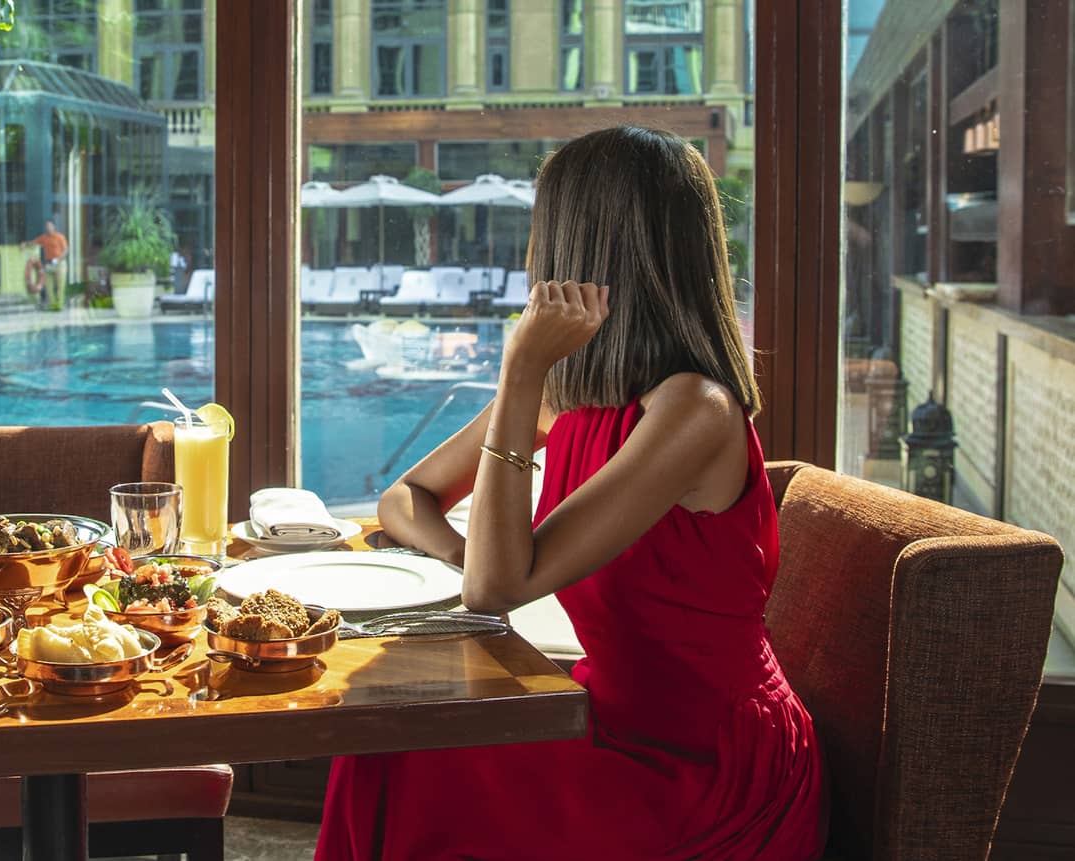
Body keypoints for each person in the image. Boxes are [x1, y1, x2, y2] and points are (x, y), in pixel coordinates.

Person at [316, 127, 828, 860]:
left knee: (398, 753)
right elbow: (405, 497)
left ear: (580, 247)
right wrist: (470, 552)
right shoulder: (575, 400)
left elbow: (496, 589)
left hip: (704, 762)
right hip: (596, 712)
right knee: (389, 735)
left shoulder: (694, 410)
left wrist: (520, 367)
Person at [22, 220, 68, 301]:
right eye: (47, 226)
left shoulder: (60, 237)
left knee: (60, 285)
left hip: (59, 263)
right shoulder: (43, 238)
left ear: (54, 227)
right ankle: (52, 304)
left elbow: (65, 250)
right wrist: (25, 244)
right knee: (48, 285)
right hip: (49, 263)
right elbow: (33, 242)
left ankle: (59, 304)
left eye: (50, 226)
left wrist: (58, 259)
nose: (48, 228)